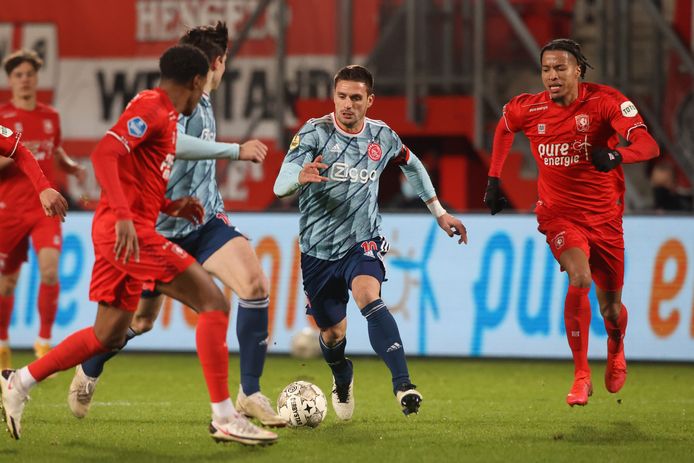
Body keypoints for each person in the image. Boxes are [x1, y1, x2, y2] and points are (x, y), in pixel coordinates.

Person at [0, 44, 277, 446]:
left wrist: (169, 206)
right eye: (203, 87)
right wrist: (125, 216)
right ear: (196, 81)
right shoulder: (152, 107)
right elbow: (104, 154)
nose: (203, 96)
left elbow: (137, 176)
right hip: (126, 233)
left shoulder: (166, 116)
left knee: (108, 335)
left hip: (125, 228)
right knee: (214, 303)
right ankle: (224, 417)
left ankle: (19, 381)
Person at [68, 22, 285, 427]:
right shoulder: (168, 104)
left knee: (254, 285)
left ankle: (250, 393)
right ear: (217, 63)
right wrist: (233, 150)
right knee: (140, 322)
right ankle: (89, 368)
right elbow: (174, 144)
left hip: (205, 222)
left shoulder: (202, 100)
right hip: (159, 229)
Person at [273, 65, 467, 419]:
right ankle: (342, 376)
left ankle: (403, 385)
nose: (348, 104)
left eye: (356, 97)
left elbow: (412, 164)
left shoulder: (382, 136)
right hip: (318, 250)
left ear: (370, 100)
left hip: (363, 241)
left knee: (368, 295)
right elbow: (280, 183)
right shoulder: (315, 133)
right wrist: (298, 177)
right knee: (333, 334)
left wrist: (439, 212)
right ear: (333, 97)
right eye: (342, 96)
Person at [483, 39, 660, 406]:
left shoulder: (606, 102)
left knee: (612, 310)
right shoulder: (529, 108)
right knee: (579, 278)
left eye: (560, 68)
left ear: (578, 70)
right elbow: (504, 128)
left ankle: (616, 346)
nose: (552, 76)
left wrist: (618, 155)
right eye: (546, 69)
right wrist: (494, 179)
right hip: (558, 215)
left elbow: (649, 146)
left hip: (605, 218)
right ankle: (581, 375)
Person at [0, 50, 86, 369]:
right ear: (10, 81)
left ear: (36, 78)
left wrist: (70, 166)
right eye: (18, 75)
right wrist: (17, 154)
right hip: (9, 209)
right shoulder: (3, 118)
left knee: (50, 270)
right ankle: (3, 345)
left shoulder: (51, 116)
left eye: (29, 74)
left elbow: (56, 150)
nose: (25, 79)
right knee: (7, 283)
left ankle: (44, 343)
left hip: (43, 207)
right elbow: (14, 156)